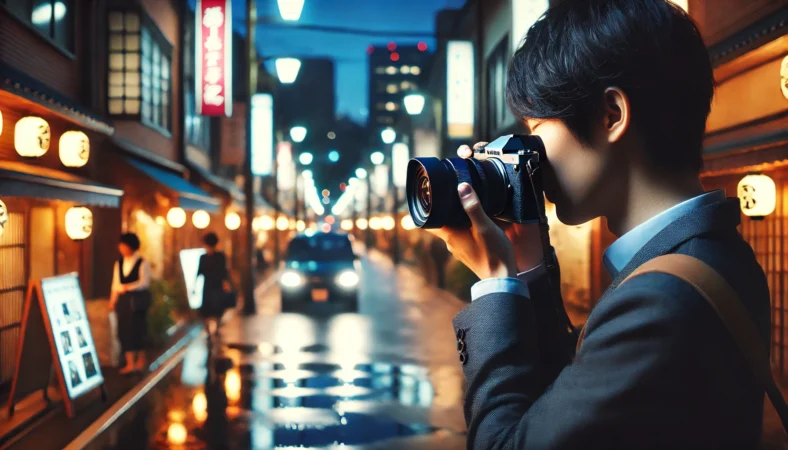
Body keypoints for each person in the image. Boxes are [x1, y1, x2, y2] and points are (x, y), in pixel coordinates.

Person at [429, 1, 772, 448]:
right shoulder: (710, 253)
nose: (529, 153)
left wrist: (495, 285)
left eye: (534, 127)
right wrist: (526, 266)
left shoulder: (660, 300)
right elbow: (565, 406)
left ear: (611, 114)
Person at [109, 233, 151, 375]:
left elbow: (144, 283)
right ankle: (130, 363)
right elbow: (115, 284)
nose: (121, 248)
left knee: (138, 329)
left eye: (124, 245)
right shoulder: (119, 263)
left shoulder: (142, 263)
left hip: (137, 301)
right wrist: (112, 301)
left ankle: (140, 360)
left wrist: (128, 287)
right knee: (124, 330)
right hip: (123, 301)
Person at [197, 232, 232, 338]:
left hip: (212, 286)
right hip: (212, 286)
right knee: (211, 309)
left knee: (213, 309)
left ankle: (212, 329)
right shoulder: (217, 256)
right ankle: (211, 329)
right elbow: (224, 272)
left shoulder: (206, 257)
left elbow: (199, 272)